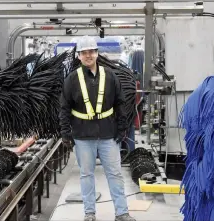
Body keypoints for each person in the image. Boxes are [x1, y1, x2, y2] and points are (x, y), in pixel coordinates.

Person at [59, 36, 136, 221]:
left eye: (91, 52)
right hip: (82, 136)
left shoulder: (110, 76)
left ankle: (122, 213)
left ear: (97, 53)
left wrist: (122, 128)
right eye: (84, 52)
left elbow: (120, 103)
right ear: (79, 56)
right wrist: (65, 132)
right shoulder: (72, 79)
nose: (88, 55)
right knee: (86, 175)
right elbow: (64, 107)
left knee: (115, 174)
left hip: (108, 134)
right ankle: (90, 213)